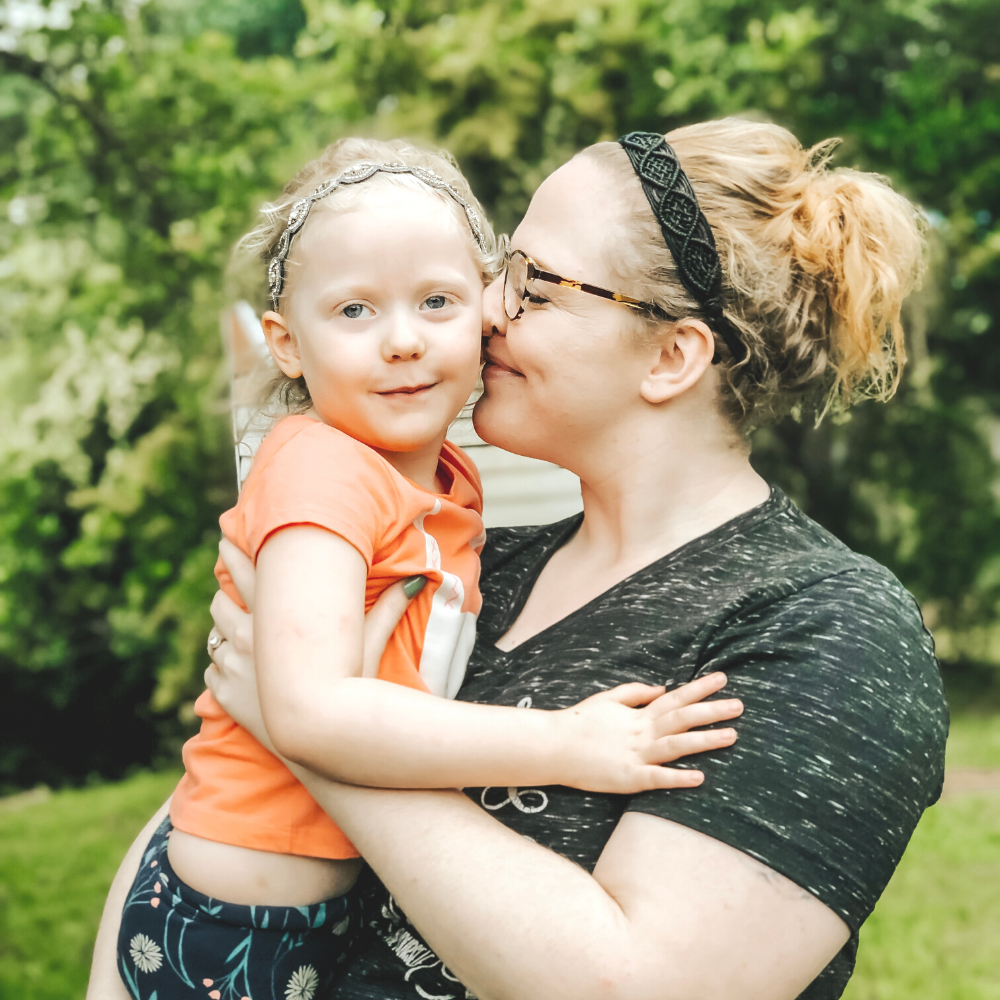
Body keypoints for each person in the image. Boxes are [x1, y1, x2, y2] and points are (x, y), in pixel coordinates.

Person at [93, 119, 947, 1000]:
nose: (486, 307)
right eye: (503, 269)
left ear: (670, 356)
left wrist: (313, 741)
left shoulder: (825, 627)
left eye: (533, 283)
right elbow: (222, 790)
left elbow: (648, 987)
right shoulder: (468, 559)